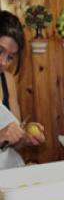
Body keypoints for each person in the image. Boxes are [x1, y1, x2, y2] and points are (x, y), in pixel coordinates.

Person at [0, 10, 45, 169]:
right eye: (0, 51)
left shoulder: (7, 80)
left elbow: (14, 144)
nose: (4, 63)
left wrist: (24, 137)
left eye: (10, 57)